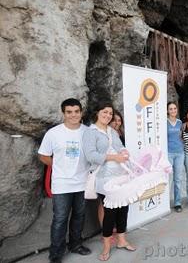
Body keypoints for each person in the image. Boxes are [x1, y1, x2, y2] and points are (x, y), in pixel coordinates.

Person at [38, 98, 91, 263]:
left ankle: (75, 245)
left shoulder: (88, 132)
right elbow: (43, 155)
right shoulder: (53, 133)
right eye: (69, 112)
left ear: (81, 112)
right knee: (60, 218)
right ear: (63, 113)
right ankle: (56, 253)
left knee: (79, 216)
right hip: (61, 183)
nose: (73, 115)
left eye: (76, 111)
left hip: (82, 182)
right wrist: (58, 165)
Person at [82, 103, 136, 261]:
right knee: (110, 213)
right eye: (104, 112)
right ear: (97, 113)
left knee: (123, 209)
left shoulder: (112, 131)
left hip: (121, 176)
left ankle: (122, 240)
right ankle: (106, 247)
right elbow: (91, 155)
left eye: (110, 113)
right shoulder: (90, 132)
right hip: (104, 178)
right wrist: (114, 157)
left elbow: (120, 147)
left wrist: (124, 152)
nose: (108, 115)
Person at [167, 102, 185, 213]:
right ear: (167, 111)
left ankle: (177, 202)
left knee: (178, 179)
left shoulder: (180, 122)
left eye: (174, 108)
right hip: (169, 153)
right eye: (170, 109)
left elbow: (181, 137)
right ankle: (165, 203)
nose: (173, 110)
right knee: (168, 179)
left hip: (179, 153)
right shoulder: (164, 122)